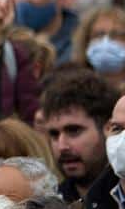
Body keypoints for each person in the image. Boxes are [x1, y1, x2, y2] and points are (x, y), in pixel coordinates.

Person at [34, 67, 117, 201]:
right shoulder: (47, 208)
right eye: (54, 134)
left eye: (74, 131)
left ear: (109, 129)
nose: (62, 146)